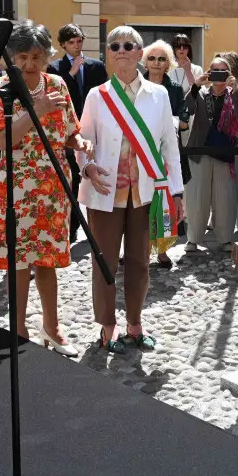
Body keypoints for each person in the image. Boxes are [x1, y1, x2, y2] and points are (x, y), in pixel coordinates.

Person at [78, 26, 185, 352]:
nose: (121, 50)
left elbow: (169, 145)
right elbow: (83, 142)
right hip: (104, 193)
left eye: (128, 45)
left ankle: (135, 325)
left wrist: (177, 192)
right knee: (105, 262)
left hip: (145, 194)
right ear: (109, 55)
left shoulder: (159, 96)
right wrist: (86, 164)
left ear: (140, 54)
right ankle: (107, 327)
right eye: (114, 46)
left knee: (139, 262)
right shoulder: (97, 96)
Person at [0, 21, 90, 356]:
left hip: (53, 183)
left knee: (47, 261)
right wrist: (36, 109)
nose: (30, 65)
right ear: (10, 59)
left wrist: (80, 142)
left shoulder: (57, 83)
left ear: (47, 55)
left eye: (36, 56)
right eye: (22, 57)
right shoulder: (0, 88)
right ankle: (17, 329)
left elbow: (70, 129)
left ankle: (52, 327)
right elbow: (2, 139)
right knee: (18, 261)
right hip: (17, 183)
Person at [48, 23, 108, 245]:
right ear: (63, 44)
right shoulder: (54, 69)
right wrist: (71, 75)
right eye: (71, 42)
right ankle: (72, 229)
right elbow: (57, 101)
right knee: (72, 180)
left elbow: (105, 97)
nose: (76, 45)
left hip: (94, 128)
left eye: (79, 41)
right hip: (68, 132)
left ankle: (99, 228)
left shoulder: (96, 66)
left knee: (99, 173)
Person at [186, 52, 238, 253]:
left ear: (229, 74)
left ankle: (226, 238)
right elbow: (187, 109)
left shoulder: (235, 94)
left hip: (224, 152)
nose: (218, 75)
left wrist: (235, 91)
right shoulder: (201, 93)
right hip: (200, 151)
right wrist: (196, 85)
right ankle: (193, 238)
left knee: (225, 196)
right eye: (214, 71)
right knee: (196, 197)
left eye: (222, 71)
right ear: (209, 72)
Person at [142, 39, 188, 267]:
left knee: (166, 203)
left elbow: (184, 119)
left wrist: (166, 123)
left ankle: (162, 250)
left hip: (166, 153)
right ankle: (136, 249)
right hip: (140, 154)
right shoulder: (136, 85)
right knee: (139, 205)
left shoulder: (175, 89)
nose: (156, 63)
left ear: (168, 63)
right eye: (152, 58)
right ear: (145, 61)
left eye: (161, 59)